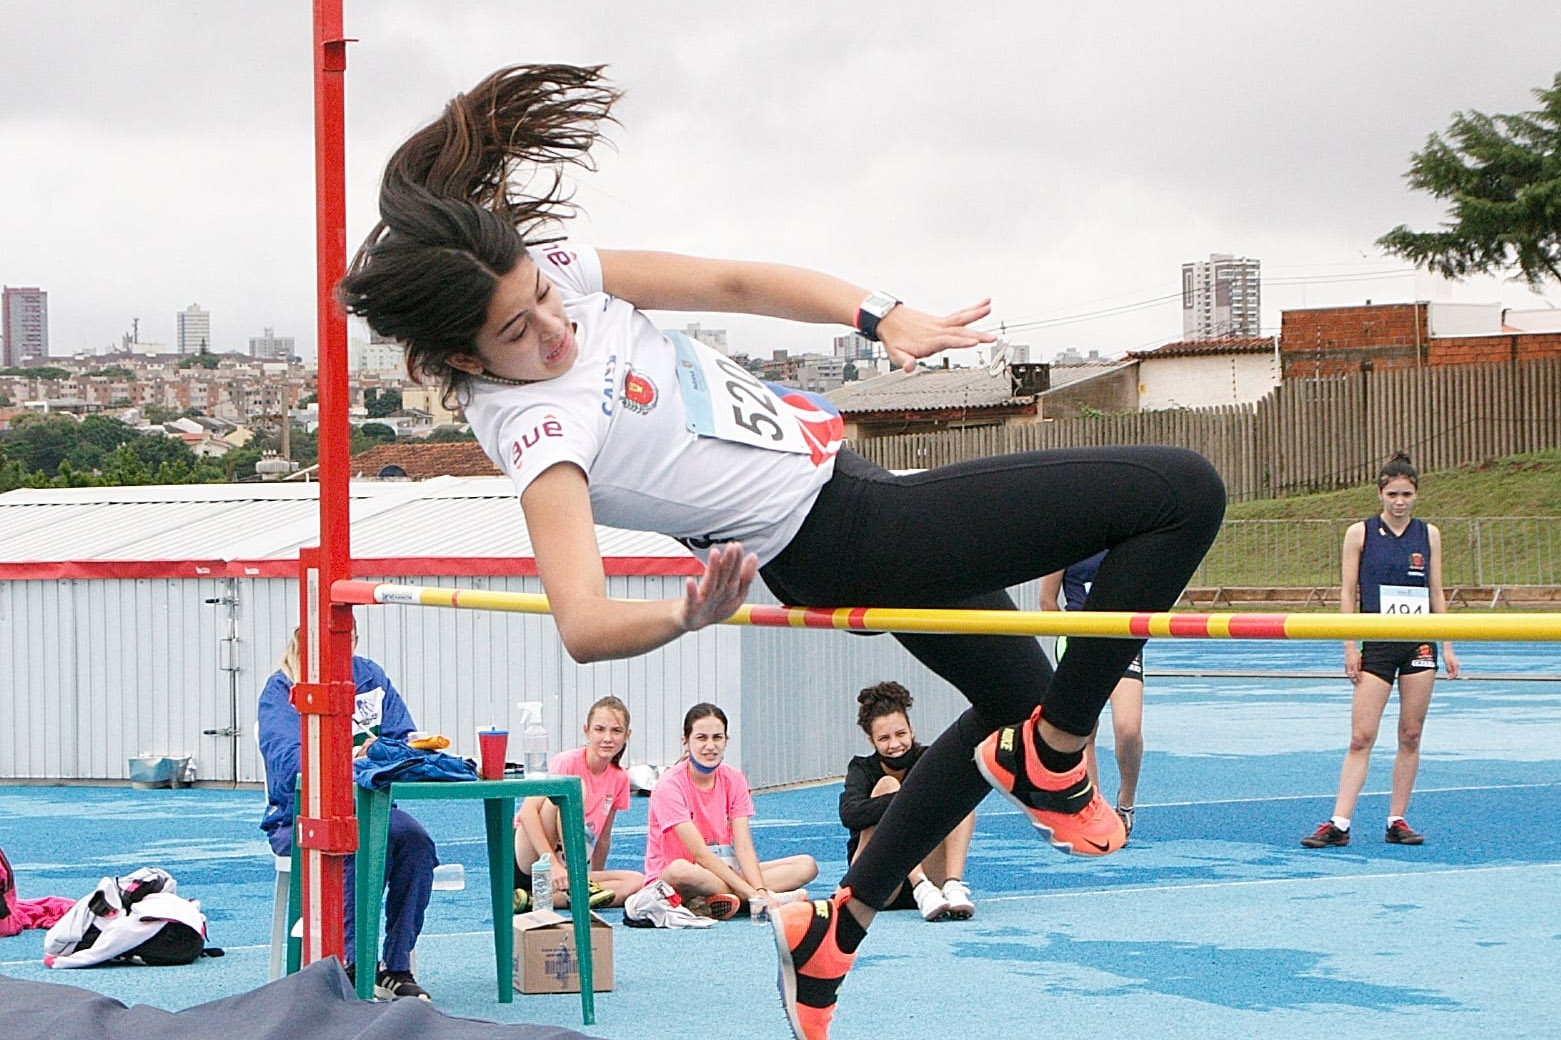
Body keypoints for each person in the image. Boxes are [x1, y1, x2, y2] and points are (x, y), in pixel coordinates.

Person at [337, 64, 1224, 1039]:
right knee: (1182, 494)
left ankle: (829, 933)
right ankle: (1056, 758)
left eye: (544, 296)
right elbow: (583, 621)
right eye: (520, 331)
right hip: (843, 533)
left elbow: (732, 280)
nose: (555, 326)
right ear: (465, 358)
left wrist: (879, 314)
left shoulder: (551, 268)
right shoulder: (534, 428)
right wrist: (684, 612)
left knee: (1011, 703)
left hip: (853, 496)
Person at [257, 626, 436, 1001]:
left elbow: (404, 740)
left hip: (373, 807)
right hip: (301, 815)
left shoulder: (371, 676)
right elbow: (291, 766)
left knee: (417, 843)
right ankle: (354, 964)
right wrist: (362, 756)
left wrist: (380, 754)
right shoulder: (282, 689)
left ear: (354, 640)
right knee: (351, 841)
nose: (342, 645)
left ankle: (396, 965)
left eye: (347, 637)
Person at [1302, 451, 1459, 849]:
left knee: (1410, 733)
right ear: (1380, 494)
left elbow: (1436, 591)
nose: (1400, 501)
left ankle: (1397, 819)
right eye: (1392, 494)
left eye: (1406, 494)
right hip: (1376, 644)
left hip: (1419, 644)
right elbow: (1348, 591)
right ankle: (1339, 822)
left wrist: (1449, 643)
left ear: (1417, 494)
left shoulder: (1429, 535)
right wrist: (1349, 643)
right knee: (1361, 735)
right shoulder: (1361, 533)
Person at [627, 703, 816, 924]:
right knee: (680, 870)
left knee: (806, 865)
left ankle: (721, 899)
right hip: (679, 875)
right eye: (701, 738)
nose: (710, 746)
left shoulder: (734, 779)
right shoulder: (669, 786)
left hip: (723, 870)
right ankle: (748, 899)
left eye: (717, 737)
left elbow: (743, 845)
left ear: (726, 740)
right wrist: (754, 893)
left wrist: (760, 888)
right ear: (685, 742)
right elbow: (699, 853)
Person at [840, 681, 975, 921]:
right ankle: (919, 884)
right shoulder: (862, 768)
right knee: (888, 785)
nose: (894, 745)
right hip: (878, 881)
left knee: (961, 795)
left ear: (911, 731)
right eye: (884, 738)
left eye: (901, 734)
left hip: (934, 881)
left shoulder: (928, 759)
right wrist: (910, 800)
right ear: (872, 741)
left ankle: (953, 885)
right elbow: (850, 814)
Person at [1041, 552, 1144, 837]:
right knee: (1084, 732)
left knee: (1128, 729)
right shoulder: (1069, 542)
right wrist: (1069, 633)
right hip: (1077, 639)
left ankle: (1126, 804)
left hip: (1121, 638)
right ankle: (1095, 814)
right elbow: (1047, 603)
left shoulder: (1128, 542)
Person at [513, 695, 644, 910]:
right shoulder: (567, 763)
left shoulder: (619, 778)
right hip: (532, 856)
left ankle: (541, 899)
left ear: (627, 735)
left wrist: (593, 879)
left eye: (616, 731)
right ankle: (556, 885)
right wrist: (553, 865)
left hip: (571, 866)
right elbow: (527, 813)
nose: (607, 738)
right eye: (600, 730)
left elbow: (603, 838)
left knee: (637, 881)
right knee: (575, 787)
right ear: (587, 731)